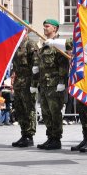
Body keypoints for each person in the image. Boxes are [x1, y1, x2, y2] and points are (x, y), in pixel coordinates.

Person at [45, 37, 87, 152]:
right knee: (82, 110)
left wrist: (54, 42)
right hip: (81, 79)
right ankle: (86, 138)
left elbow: (72, 43)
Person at [35, 19, 69, 150]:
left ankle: (56, 139)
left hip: (55, 84)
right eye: (44, 26)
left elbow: (63, 64)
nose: (44, 28)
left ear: (54, 28)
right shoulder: (45, 44)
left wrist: (61, 82)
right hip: (44, 84)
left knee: (55, 112)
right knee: (46, 112)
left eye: (47, 26)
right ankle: (50, 137)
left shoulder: (58, 44)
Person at [11, 24, 39, 148]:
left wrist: (34, 84)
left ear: (26, 30)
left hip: (27, 82)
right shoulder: (16, 45)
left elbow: (35, 66)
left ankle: (29, 136)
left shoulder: (30, 44)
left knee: (29, 109)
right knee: (19, 108)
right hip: (18, 82)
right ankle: (24, 134)